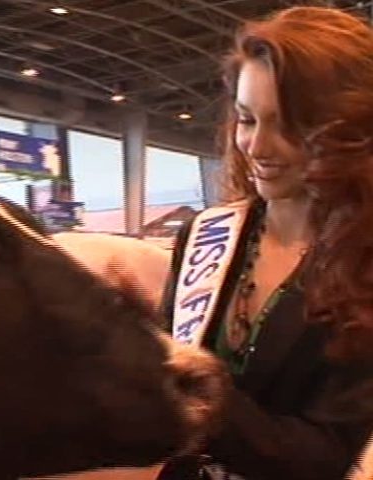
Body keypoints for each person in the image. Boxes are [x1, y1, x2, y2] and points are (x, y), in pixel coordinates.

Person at [159, 6, 373, 480]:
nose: (256, 146)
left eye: (287, 126)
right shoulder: (205, 235)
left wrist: (208, 401)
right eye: (247, 119)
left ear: (349, 130)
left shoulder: (363, 265)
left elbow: (324, 455)